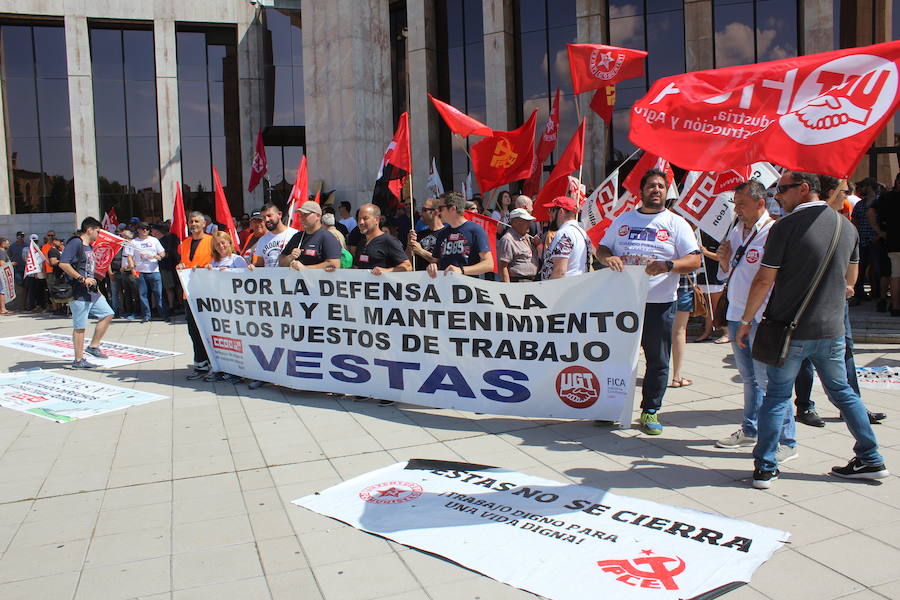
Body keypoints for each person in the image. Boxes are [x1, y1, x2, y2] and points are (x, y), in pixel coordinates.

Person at [737, 170, 888, 489]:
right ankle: (872, 458)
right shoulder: (846, 227)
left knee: (777, 396)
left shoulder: (785, 227)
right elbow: (852, 282)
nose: (778, 195)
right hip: (831, 329)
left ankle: (766, 466)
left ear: (805, 189)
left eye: (783, 190)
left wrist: (747, 320)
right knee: (844, 393)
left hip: (789, 330)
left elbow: (765, 279)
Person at [597, 168, 702, 435]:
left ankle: (650, 411)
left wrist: (669, 265)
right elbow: (602, 248)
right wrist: (608, 257)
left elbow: (694, 260)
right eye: (651, 186)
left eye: (661, 186)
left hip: (660, 302)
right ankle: (612, 407)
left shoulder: (677, 223)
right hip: (624, 303)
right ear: (641, 191)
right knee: (617, 358)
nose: (656, 190)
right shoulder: (623, 220)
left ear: (666, 192)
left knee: (657, 359)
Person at [792, 176, 887, 428]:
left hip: (836, 303)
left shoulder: (846, 225)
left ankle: (851, 406)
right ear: (832, 192)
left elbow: (852, 263)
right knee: (803, 354)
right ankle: (804, 406)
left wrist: (849, 285)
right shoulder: (805, 223)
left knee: (845, 351)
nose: (848, 196)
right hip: (807, 301)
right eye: (845, 191)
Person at [713, 181, 796, 459]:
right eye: (735, 204)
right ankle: (750, 429)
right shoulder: (736, 230)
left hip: (761, 318)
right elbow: (728, 276)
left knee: (770, 383)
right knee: (749, 379)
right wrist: (723, 262)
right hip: (737, 315)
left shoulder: (774, 232)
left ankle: (786, 441)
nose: (737, 210)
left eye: (742, 204)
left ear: (761, 203)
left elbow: (770, 279)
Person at [57, 217, 116, 369]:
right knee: (80, 326)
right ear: (89, 229)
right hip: (79, 291)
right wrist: (81, 278)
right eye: (97, 231)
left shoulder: (88, 246)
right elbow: (63, 263)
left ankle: (93, 346)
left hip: (92, 291)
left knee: (108, 313)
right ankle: (78, 360)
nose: (99, 234)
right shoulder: (76, 242)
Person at [176, 212, 214, 380]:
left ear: (204, 223)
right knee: (194, 331)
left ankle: (214, 363)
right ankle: (200, 365)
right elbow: (184, 263)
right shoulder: (184, 243)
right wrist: (180, 265)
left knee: (208, 330)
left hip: (207, 294)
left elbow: (218, 262)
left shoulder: (211, 241)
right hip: (189, 294)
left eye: (197, 221)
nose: (193, 224)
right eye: (191, 221)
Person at [425, 192, 493, 279]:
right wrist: (432, 267)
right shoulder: (442, 233)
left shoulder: (475, 230)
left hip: (467, 287)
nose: (437, 211)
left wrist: (462, 270)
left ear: (453, 209)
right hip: (445, 287)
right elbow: (435, 261)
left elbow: (489, 264)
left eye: (441, 208)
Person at [280, 201, 342, 271]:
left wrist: (306, 268)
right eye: (300, 215)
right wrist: (290, 257)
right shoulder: (297, 237)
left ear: (318, 216)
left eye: (305, 214)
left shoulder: (327, 237)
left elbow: (334, 265)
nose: (301, 218)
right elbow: (281, 262)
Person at [350, 204, 411, 274]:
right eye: (359, 219)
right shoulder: (361, 243)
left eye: (365, 218)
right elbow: (357, 266)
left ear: (376, 219)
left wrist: (386, 271)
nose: (361, 222)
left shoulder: (389, 241)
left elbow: (407, 266)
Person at [540, 196, 589, 281]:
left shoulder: (564, 234)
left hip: (562, 290)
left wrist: (548, 292)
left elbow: (560, 272)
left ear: (561, 212)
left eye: (551, 210)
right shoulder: (582, 233)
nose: (549, 214)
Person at [126, 222, 168, 323]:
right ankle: (146, 316)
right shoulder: (134, 242)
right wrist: (132, 268)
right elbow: (129, 256)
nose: (145, 230)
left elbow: (162, 252)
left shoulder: (154, 240)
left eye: (147, 228)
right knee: (142, 295)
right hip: (140, 272)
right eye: (142, 228)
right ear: (138, 230)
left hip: (154, 271)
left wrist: (160, 256)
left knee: (158, 294)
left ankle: (163, 314)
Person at [871, 178, 899, 317]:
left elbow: (870, 211)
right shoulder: (887, 197)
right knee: (892, 274)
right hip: (890, 240)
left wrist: (879, 231)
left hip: (890, 240)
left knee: (892, 274)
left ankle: (893, 305)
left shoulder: (886, 197)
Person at [497, 208, 539, 282]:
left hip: (530, 281)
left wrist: (537, 245)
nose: (529, 224)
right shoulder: (508, 239)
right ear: (515, 222)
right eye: (526, 221)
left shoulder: (528, 238)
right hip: (517, 282)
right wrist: (507, 288)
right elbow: (503, 266)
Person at [252, 203, 298, 268]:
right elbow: (260, 265)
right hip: (270, 277)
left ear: (279, 215)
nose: (267, 219)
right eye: (264, 217)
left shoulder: (295, 235)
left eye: (269, 215)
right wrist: (253, 266)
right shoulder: (262, 240)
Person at [670, 273, 694, 388]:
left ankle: (653, 371)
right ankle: (676, 377)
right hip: (684, 287)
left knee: (656, 331)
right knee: (679, 331)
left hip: (659, 289)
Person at [152, 223, 181, 315]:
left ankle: (171, 307)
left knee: (168, 288)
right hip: (155, 268)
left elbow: (167, 253)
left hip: (165, 267)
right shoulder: (153, 240)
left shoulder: (166, 240)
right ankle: (155, 308)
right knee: (156, 289)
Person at [8, 232, 26, 310]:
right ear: (17, 237)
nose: (22, 238)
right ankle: (19, 305)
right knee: (19, 284)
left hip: (26, 269)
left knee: (26, 287)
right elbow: (9, 255)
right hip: (17, 269)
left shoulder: (27, 245)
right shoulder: (12, 246)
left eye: (23, 236)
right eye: (20, 236)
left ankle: (24, 304)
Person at [0, 237, 11, 314]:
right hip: (1, 274)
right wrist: (11, 264)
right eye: (7, 243)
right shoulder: (2, 252)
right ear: (3, 244)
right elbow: (1, 263)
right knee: (2, 291)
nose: (9, 245)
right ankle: (2, 309)